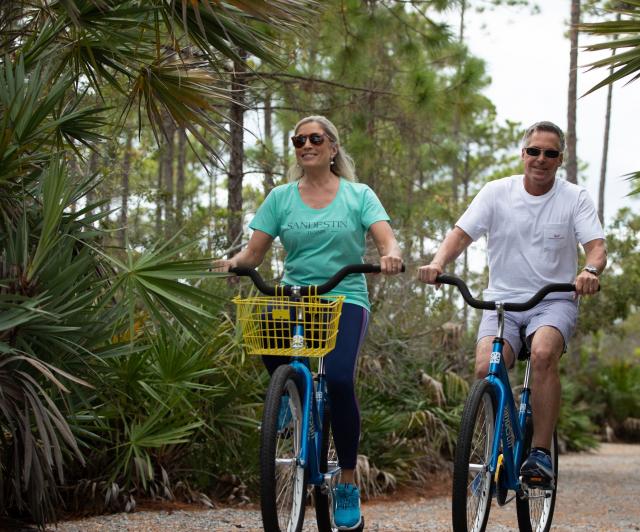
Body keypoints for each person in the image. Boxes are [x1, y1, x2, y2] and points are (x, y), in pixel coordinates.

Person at [215, 115, 402, 529]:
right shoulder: (281, 198)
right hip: (297, 296)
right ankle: (289, 399)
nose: (305, 145)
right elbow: (254, 254)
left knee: (337, 381)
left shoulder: (358, 195)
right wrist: (235, 263)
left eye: (315, 138)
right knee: (264, 328)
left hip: (344, 298)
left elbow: (385, 236)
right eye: (298, 140)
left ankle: (348, 481)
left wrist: (389, 252)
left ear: (333, 148)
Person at [417, 120, 606, 488]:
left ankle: (539, 454)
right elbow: (460, 234)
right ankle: (498, 449)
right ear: (522, 154)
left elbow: (596, 247)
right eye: (533, 151)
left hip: (552, 301)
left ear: (560, 159)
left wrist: (590, 271)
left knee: (543, 353)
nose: (540, 159)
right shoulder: (496, 192)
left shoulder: (574, 198)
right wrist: (438, 264)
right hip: (501, 302)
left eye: (550, 153)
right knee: (484, 367)